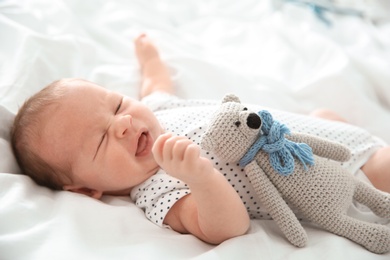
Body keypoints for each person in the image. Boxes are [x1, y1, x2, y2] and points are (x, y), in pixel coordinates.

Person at [11, 34, 390, 245]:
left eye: (117, 104)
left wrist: (150, 57)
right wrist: (202, 177)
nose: (123, 123)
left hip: (310, 133)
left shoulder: (157, 110)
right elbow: (223, 227)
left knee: (326, 116)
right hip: (338, 174)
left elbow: (156, 85)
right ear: (86, 190)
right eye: (99, 141)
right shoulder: (157, 192)